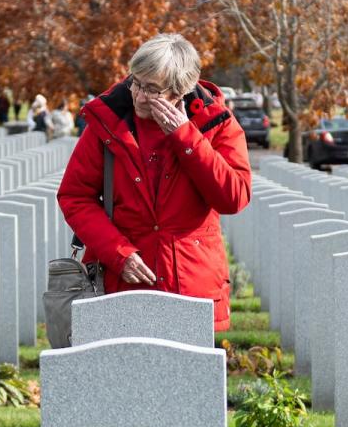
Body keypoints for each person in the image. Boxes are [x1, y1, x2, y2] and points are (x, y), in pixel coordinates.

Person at [57, 33, 251, 331]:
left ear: (180, 91)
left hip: (190, 282)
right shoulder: (108, 121)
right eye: (135, 82)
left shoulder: (216, 124)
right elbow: (75, 196)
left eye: (152, 89)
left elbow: (233, 197)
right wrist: (119, 253)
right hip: (122, 282)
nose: (138, 95)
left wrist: (186, 137)